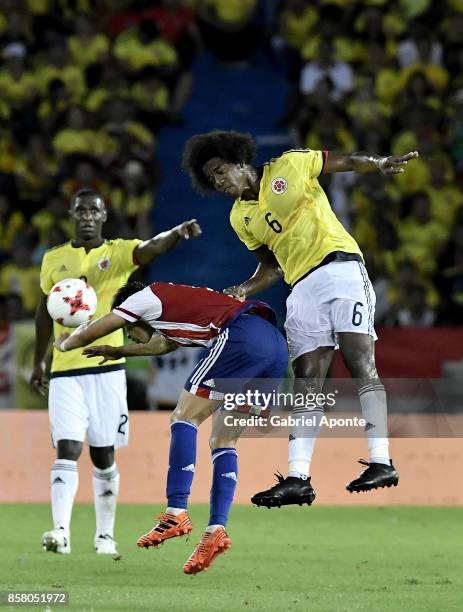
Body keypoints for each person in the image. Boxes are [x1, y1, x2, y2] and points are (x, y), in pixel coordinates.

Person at [182, 131, 419, 508]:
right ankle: (298, 477)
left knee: (360, 363)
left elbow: (344, 160)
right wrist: (245, 288)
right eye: (211, 178)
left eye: (221, 170)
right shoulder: (240, 217)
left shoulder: (290, 164)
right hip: (301, 288)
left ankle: (381, 460)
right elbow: (271, 267)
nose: (219, 180)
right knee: (307, 378)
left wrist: (376, 163)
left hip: (340, 267)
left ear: (241, 161)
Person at [53, 279, 288, 574]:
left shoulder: (145, 297)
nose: (131, 336)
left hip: (241, 336)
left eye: (129, 329)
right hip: (274, 346)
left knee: (183, 417)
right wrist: (120, 352)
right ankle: (216, 529)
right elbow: (161, 343)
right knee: (223, 442)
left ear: (131, 311)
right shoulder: (176, 307)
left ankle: (176, 511)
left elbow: (98, 327)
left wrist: (66, 343)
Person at [30, 188, 201, 555]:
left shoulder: (119, 252)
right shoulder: (53, 259)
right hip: (64, 369)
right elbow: (44, 313)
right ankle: (60, 531)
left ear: (104, 215)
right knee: (68, 447)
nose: (88, 216)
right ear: (71, 215)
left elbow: (150, 248)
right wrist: (38, 361)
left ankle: (104, 535)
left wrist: (175, 233)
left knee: (104, 454)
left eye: (94, 210)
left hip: (107, 369)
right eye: (81, 210)